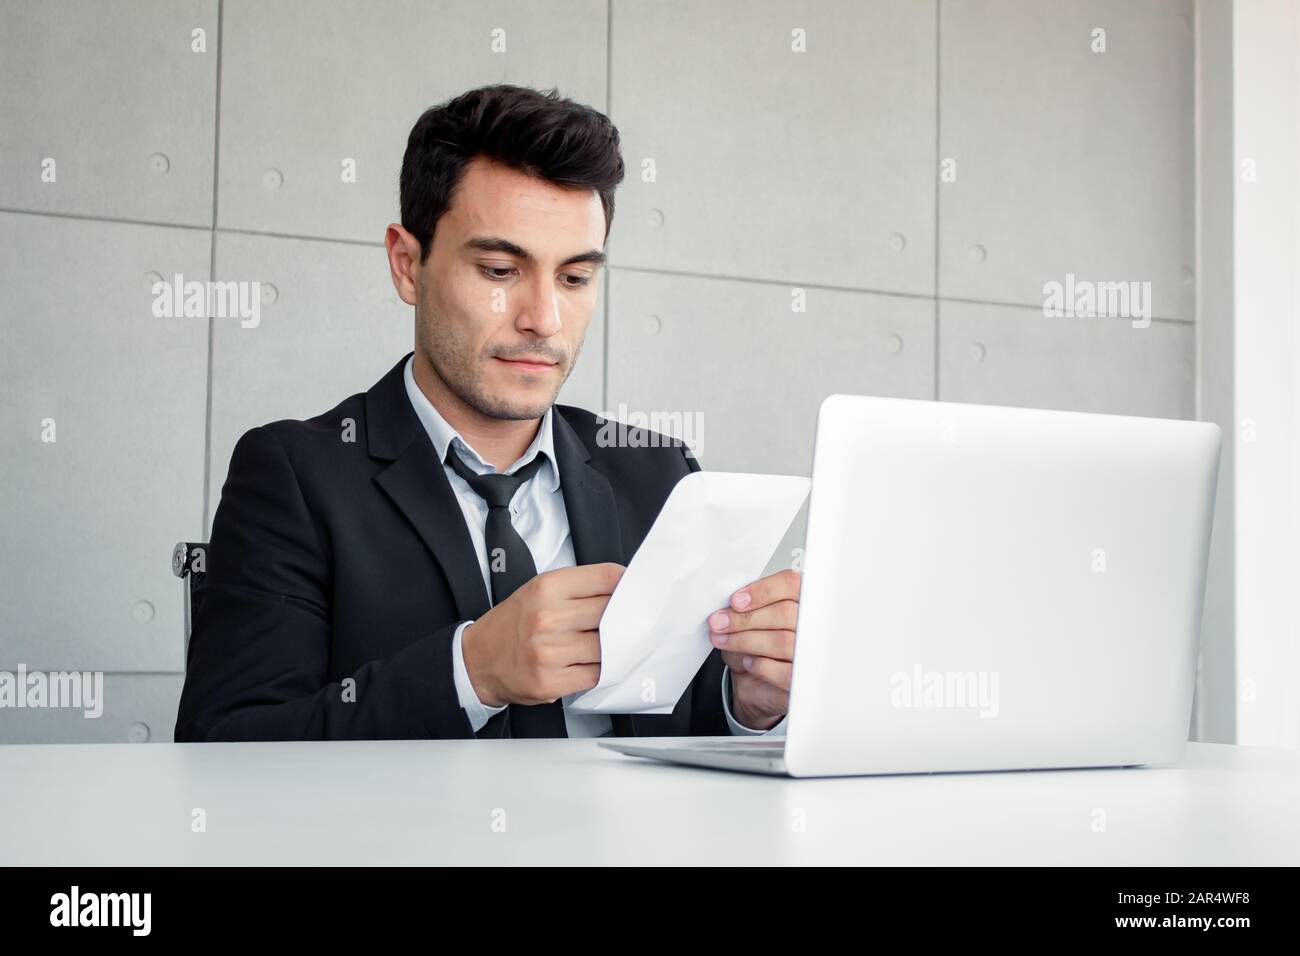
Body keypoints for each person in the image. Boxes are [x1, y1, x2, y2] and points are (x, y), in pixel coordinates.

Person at [175, 84, 800, 742]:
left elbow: (688, 723)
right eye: (501, 270)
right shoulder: (295, 477)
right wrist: (470, 672)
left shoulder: (661, 472)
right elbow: (227, 747)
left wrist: (750, 703)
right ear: (407, 265)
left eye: (575, 278)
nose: (543, 320)